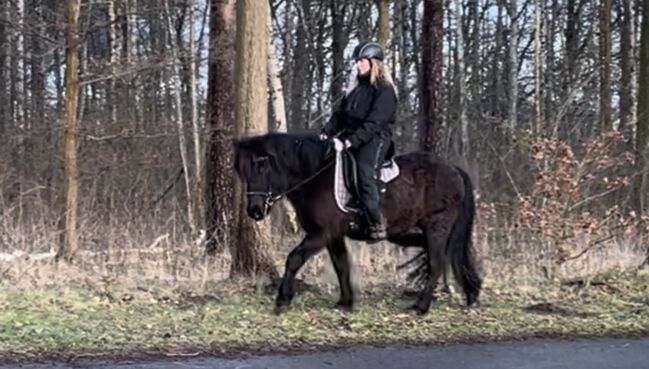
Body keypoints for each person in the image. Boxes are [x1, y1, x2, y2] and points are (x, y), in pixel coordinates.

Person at [320, 41, 397, 240]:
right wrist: (326, 133)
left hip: (375, 138)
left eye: (362, 61)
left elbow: (375, 122)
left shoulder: (385, 90)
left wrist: (352, 141)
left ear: (374, 63)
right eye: (357, 61)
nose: (358, 65)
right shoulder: (354, 89)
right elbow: (339, 116)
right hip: (350, 137)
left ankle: (376, 221)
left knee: (364, 173)